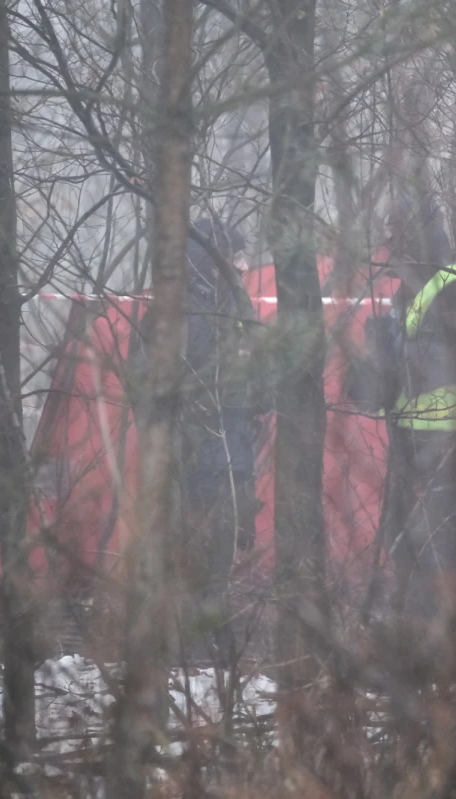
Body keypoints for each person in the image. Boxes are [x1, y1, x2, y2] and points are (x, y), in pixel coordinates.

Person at [347, 192, 456, 620]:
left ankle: (446, 633)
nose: (389, 240)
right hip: (417, 436)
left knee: (436, 542)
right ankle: (422, 629)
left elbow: (440, 366)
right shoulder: (419, 285)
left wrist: (387, 348)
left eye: (395, 230)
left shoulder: (455, 286)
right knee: (408, 538)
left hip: (447, 438)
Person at [125, 215, 264, 660]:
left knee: (221, 556)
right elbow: (143, 386)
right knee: (188, 554)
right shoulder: (176, 314)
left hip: (233, 459)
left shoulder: (238, 311)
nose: (243, 269)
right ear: (210, 262)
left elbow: (259, 380)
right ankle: (188, 652)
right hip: (190, 461)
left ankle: (214, 643)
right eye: (234, 259)